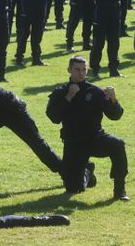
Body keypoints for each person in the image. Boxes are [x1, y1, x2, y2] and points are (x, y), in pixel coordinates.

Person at [46, 56, 129, 201]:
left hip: (95, 138)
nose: (81, 73)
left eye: (84, 70)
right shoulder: (60, 92)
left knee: (118, 144)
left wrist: (113, 100)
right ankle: (87, 171)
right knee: (73, 188)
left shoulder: (95, 91)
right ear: (69, 70)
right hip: (73, 142)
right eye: (77, 69)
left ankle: (119, 190)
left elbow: (115, 115)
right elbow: (54, 117)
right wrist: (69, 96)